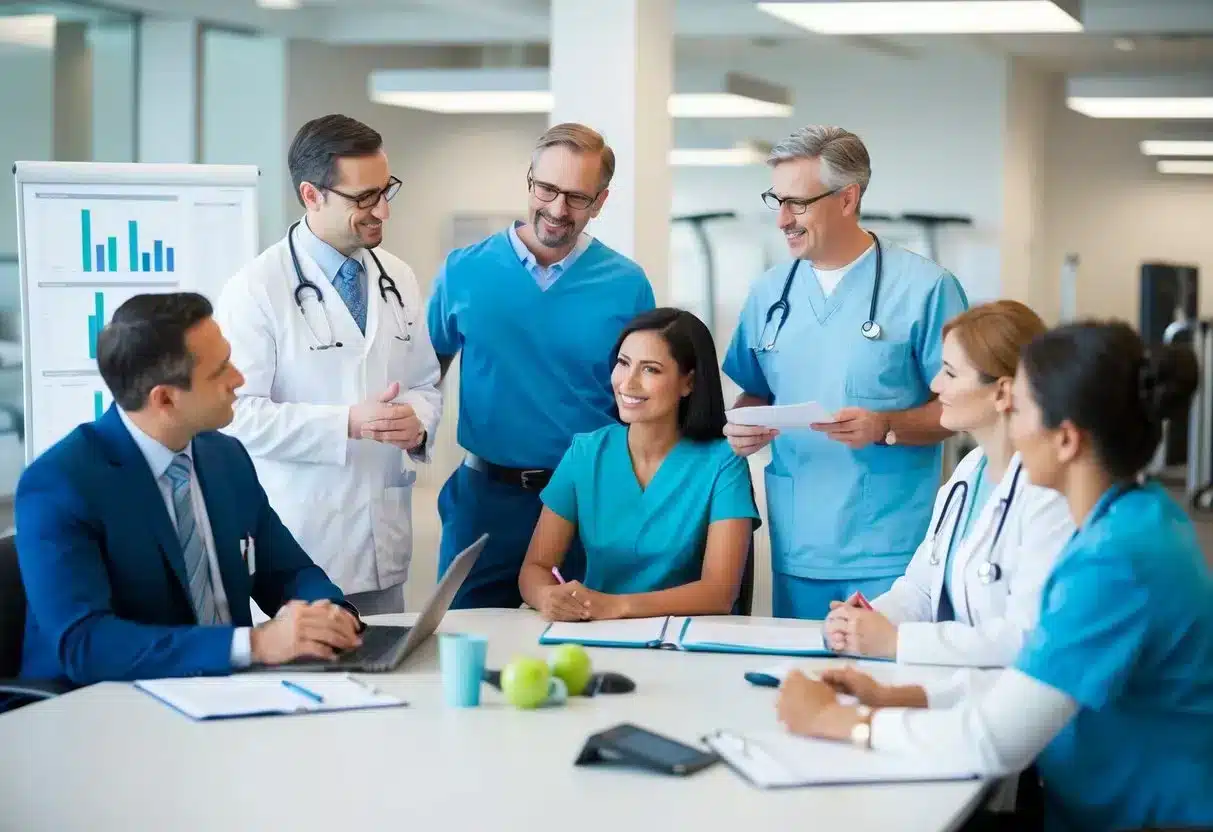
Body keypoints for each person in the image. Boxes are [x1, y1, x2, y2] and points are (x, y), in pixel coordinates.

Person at [775, 321, 1213, 832]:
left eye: (1020, 408)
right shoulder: (1133, 520)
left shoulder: (1115, 561)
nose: (1008, 421)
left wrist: (837, 722)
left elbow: (995, 741)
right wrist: (905, 696)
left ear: (1066, 439)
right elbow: (1032, 674)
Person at [17, 293, 364, 684]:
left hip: (226, 697)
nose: (239, 379)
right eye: (220, 371)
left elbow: (289, 571)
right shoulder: (60, 485)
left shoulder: (225, 458)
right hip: (102, 713)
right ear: (164, 398)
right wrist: (254, 645)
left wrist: (333, 613)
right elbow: (85, 644)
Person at [721, 125, 969, 621]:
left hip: (893, 549)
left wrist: (886, 427)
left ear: (847, 197)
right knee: (800, 682)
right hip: (799, 543)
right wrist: (742, 425)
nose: (782, 220)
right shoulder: (770, 293)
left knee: (881, 688)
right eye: (777, 200)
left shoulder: (926, 289)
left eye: (797, 203)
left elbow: (963, 407)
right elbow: (754, 390)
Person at [214, 114, 441, 615]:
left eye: (386, 191)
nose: (382, 208)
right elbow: (233, 415)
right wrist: (345, 423)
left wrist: (417, 422)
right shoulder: (257, 288)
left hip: (383, 544)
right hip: (300, 546)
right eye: (364, 198)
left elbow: (426, 383)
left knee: (391, 678)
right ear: (311, 195)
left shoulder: (397, 277)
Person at [427, 122, 655, 609]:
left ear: (600, 201)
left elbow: (645, 403)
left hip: (587, 502)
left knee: (581, 645)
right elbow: (428, 371)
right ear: (529, 179)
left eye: (576, 197)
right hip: (486, 500)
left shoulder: (627, 284)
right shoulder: (463, 270)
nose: (557, 209)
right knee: (465, 636)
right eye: (547, 189)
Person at [824, 301, 1074, 667]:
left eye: (950, 373)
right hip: (964, 684)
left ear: (1003, 393)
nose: (935, 385)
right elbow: (920, 589)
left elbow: (1026, 637)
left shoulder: (1051, 492)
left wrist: (896, 642)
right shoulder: (968, 472)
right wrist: (866, 620)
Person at [518, 308, 759, 620]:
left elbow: (719, 593)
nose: (627, 383)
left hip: (684, 643)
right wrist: (546, 595)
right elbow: (535, 568)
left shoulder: (724, 463)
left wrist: (617, 606)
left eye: (651, 370)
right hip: (594, 634)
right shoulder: (586, 452)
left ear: (689, 382)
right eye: (623, 363)